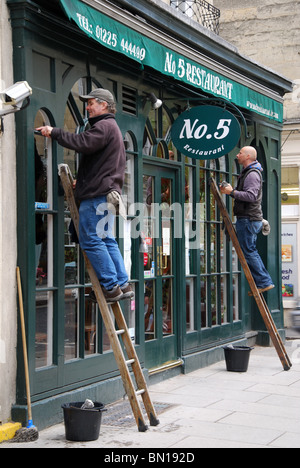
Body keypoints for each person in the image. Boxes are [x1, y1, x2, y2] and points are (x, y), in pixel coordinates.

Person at [36, 88, 133, 303]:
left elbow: (82, 143)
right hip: (106, 194)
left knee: (91, 240)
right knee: (107, 240)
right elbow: (104, 164)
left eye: (91, 103)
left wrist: (54, 132)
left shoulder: (104, 126)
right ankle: (123, 284)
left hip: (97, 196)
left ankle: (110, 287)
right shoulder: (111, 128)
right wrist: (84, 180)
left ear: (104, 105)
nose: (87, 107)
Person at [220, 146, 274, 294]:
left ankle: (263, 282)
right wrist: (231, 192)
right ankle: (263, 282)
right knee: (250, 251)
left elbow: (251, 197)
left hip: (248, 219)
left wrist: (232, 191)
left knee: (249, 251)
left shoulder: (252, 174)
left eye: (240, 153)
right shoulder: (249, 173)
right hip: (249, 218)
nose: (237, 155)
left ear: (248, 156)